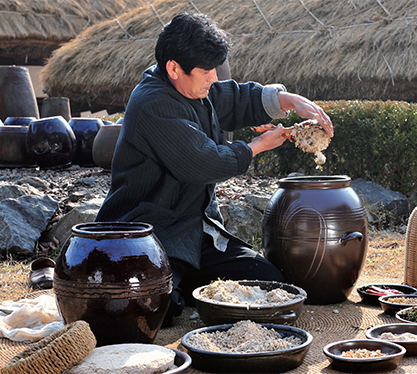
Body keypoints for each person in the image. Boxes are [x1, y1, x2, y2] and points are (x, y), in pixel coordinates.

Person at [95, 13, 333, 324]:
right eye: (206, 71)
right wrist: (256, 146)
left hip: (198, 233)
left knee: (269, 281)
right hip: (150, 234)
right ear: (173, 69)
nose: (213, 78)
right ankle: (175, 285)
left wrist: (290, 101)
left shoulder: (192, 87)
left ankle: (183, 281)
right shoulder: (153, 103)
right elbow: (203, 162)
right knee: (157, 309)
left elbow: (233, 98)